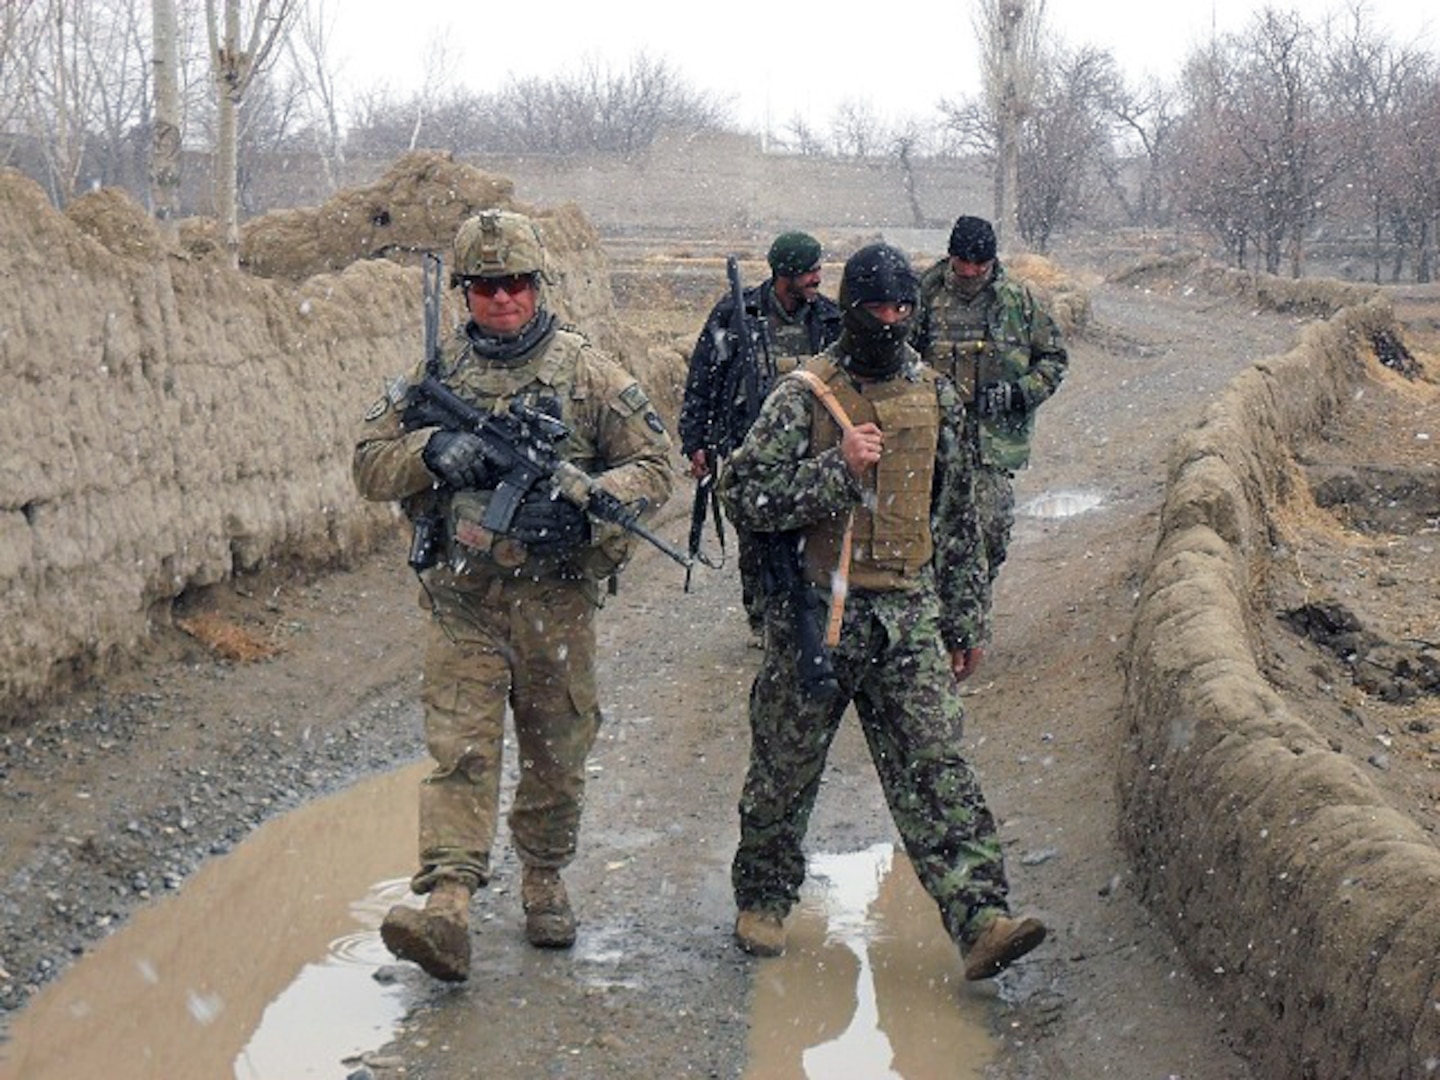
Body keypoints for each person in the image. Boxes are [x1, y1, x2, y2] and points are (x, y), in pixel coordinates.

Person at [352, 209, 674, 981]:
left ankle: (544, 879)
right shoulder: (438, 374)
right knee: (461, 751)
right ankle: (449, 907)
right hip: (462, 600)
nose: (503, 301)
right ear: (465, 293)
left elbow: (657, 467)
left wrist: (586, 497)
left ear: (539, 286)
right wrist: (433, 451)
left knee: (557, 751)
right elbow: (368, 465)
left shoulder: (587, 372)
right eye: (488, 287)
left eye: (517, 285)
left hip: (555, 603)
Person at [719, 242, 1046, 981]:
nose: (892, 320)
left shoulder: (935, 398)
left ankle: (980, 917)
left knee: (938, 769)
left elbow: (956, 521)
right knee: (783, 771)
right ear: (851, 306)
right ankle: (763, 902)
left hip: (907, 617)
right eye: (878, 308)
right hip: (817, 618)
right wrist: (837, 470)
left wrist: (966, 624)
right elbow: (744, 497)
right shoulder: (802, 396)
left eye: (904, 308)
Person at [678, 231, 842, 637]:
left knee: (813, 538)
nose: (817, 279)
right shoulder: (737, 314)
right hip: (748, 449)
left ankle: (809, 616)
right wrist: (696, 441)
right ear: (784, 275)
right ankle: (763, 618)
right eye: (809, 272)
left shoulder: (829, 319)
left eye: (819, 269)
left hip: (812, 450)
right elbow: (704, 379)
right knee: (756, 539)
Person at [912, 214, 1068, 591]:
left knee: (989, 532)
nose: (971, 275)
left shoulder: (1019, 300)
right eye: (963, 267)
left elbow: (1053, 359)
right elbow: (896, 357)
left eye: (980, 267)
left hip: (991, 445)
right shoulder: (922, 295)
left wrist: (1017, 393)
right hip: (928, 442)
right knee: (923, 536)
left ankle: (972, 607)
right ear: (951, 258)